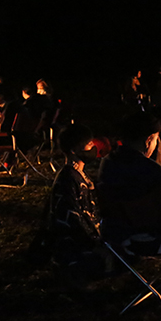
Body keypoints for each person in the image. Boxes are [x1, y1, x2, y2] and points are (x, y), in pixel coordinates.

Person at [98, 112, 161, 257]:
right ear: (149, 140)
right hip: (154, 237)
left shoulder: (107, 163)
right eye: (156, 140)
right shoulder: (152, 169)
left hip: (116, 234)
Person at [46, 123, 106, 287]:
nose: (93, 147)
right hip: (75, 245)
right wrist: (93, 241)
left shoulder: (79, 174)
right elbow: (71, 217)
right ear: (74, 150)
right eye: (88, 145)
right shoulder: (68, 179)